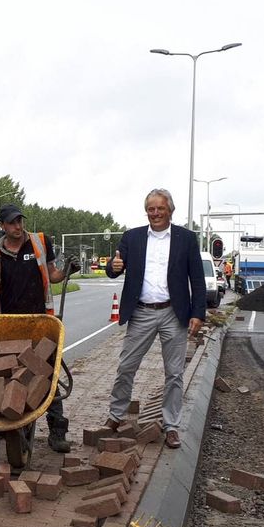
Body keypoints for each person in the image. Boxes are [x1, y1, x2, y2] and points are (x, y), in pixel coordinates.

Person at [105, 189, 205, 449]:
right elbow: (114, 267)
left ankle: (171, 425)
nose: (156, 213)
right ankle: (115, 416)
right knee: (126, 366)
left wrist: (198, 313)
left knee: (174, 373)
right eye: (151, 209)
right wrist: (113, 267)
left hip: (174, 313)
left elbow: (197, 279)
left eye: (160, 208)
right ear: (146, 211)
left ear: (170, 210)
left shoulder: (186, 239)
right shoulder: (132, 237)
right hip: (141, 312)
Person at [0, 203, 78, 453]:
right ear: (3, 226)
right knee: (10, 377)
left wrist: (68, 270)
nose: (18, 226)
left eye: (20, 221)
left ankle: (57, 431)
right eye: (12, 222)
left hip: (39, 322)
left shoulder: (39, 242)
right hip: (9, 325)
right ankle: (10, 428)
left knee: (47, 375)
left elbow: (53, 274)